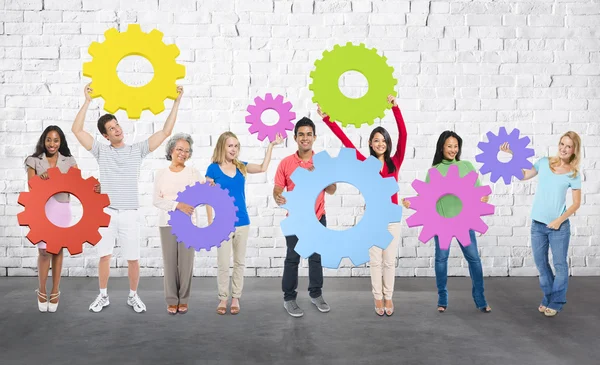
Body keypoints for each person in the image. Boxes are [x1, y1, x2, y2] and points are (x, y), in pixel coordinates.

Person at [71, 83, 184, 313]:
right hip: (107, 213)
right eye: (111, 129)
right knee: (104, 256)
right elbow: (76, 130)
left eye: (117, 125)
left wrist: (177, 102)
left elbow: (165, 132)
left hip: (130, 213)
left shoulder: (137, 150)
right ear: (105, 135)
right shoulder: (101, 151)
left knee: (133, 259)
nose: (117, 130)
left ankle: (133, 296)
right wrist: (87, 101)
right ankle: (103, 295)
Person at [320, 94, 407, 317]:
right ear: (370, 143)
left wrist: (395, 108)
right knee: (375, 261)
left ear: (388, 144)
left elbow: (404, 135)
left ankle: (389, 297)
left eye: (383, 140)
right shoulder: (364, 162)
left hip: (393, 218)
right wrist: (327, 119)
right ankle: (378, 298)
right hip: (372, 219)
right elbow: (345, 142)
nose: (380, 143)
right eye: (376, 140)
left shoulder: (394, 162)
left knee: (389, 261)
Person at [402, 131, 492, 313]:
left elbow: (481, 192)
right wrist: (411, 202)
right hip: (441, 222)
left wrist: (484, 198)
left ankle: (481, 300)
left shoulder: (466, 166)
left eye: (456, 146)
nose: (453, 150)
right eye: (449, 146)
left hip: (464, 222)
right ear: (441, 147)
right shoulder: (434, 171)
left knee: (474, 259)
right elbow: (426, 198)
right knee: (441, 259)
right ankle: (442, 300)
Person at [501, 131, 582, 317]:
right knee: (541, 263)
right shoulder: (544, 162)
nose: (563, 148)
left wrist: (559, 220)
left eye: (568, 146)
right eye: (562, 143)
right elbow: (523, 175)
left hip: (559, 227)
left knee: (560, 265)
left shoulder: (573, 173)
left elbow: (576, 203)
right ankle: (548, 297)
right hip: (538, 225)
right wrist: (513, 157)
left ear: (574, 150)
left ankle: (557, 301)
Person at [207, 131, 283, 315]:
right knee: (224, 263)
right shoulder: (213, 169)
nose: (234, 149)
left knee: (239, 262)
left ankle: (235, 298)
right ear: (222, 147)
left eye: (236, 146)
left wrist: (271, 145)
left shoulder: (241, 167)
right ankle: (223, 298)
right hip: (222, 224)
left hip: (242, 221)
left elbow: (263, 168)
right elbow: (207, 198)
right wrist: (210, 223)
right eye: (230, 146)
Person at [25, 126, 97, 312]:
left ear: (61, 142)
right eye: (49, 139)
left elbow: (79, 184)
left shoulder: (68, 161)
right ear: (43, 140)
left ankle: (55, 290)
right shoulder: (33, 160)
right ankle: (41, 291)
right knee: (43, 252)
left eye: (56, 140)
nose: (52, 144)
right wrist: (41, 179)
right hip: (42, 209)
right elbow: (31, 186)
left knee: (56, 250)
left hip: (62, 209)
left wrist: (94, 188)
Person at [273, 117, 337, 318]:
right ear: (295, 137)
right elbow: (277, 189)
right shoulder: (286, 163)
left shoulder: (322, 162)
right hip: (295, 219)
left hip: (318, 217)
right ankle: (289, 298)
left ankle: (316, 294)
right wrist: (278, 196)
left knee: (315, 258)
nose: (305, 138)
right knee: (292, 259)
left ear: (315, 137)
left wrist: (320, 175)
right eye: (301, 134)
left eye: (309, 134)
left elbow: (333, 189)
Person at [153, 133, 201, 315]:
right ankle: (172, 300)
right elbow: (156, 200)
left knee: (186, 263)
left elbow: (202, 196)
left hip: (189, 223)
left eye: (187, 151)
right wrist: (178, 205)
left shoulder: (193, 173)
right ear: (171, 150)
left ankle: (184, 299)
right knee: (170, 263)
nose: (183, 153)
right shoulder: (161, 174)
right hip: (167, 223)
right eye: (180, 149)